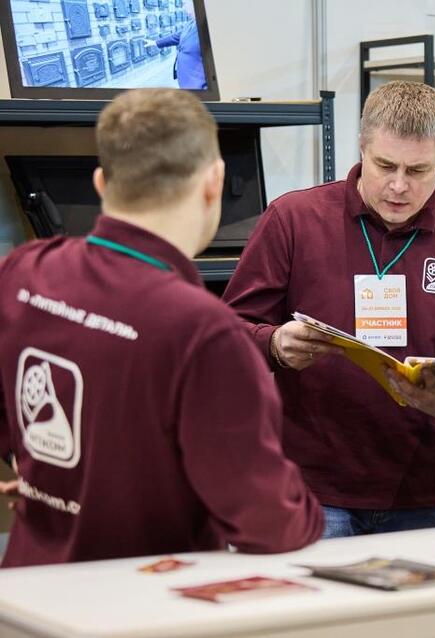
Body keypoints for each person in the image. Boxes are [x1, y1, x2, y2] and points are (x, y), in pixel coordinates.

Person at [0, 89, 325, 567]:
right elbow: (269, 520)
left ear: (100, 182)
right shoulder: (204, 332)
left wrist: (45, 474)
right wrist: (312, 517)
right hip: (146, 603)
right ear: (214, 183)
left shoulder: (24, 270)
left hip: (28, 595)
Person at [222, 81, 435, 538]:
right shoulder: (294, 220)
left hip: (413, 490)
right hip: (306, 487)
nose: (399, 185)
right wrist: (273, 344)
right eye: (385, 165)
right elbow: (226, 334)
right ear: (361, 148)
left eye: (419, 170)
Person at [153, 5, 208, 90]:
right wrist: (156, 43)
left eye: (187, 3)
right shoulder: (192, 22)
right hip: (186, 81)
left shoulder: (210, 26)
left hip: (198, 86)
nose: (184, 8)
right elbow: (178, 36)